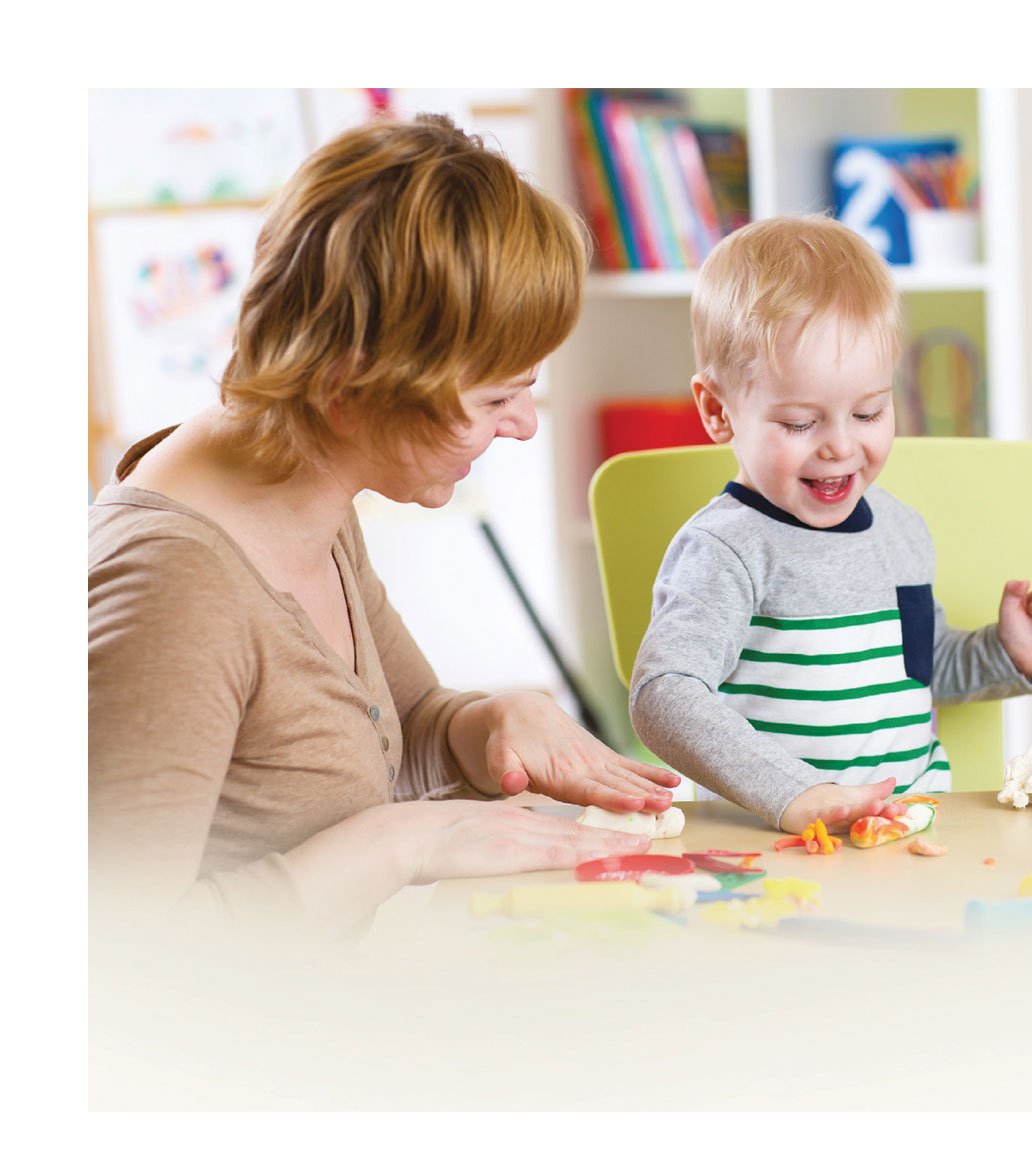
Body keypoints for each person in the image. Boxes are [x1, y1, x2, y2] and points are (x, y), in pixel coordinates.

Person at [89, 114, 679, 939]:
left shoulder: (301, 489)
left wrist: (488, 724)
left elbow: (392, 735)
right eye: (497, 398)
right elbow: (112, 962)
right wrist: (398, 846)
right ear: (353, 386)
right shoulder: (174, 592)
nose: (523, 426)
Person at [629, 215, 1032, 835]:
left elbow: (917, 673)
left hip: (912, 828)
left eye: (869, 412)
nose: (841, 447)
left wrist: (1004, 654)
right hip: (775, 843)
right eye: (799, 423)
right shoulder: (725, 549)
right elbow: (663, 695)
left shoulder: (900, 531)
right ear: (717, 410)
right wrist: (796, 794)